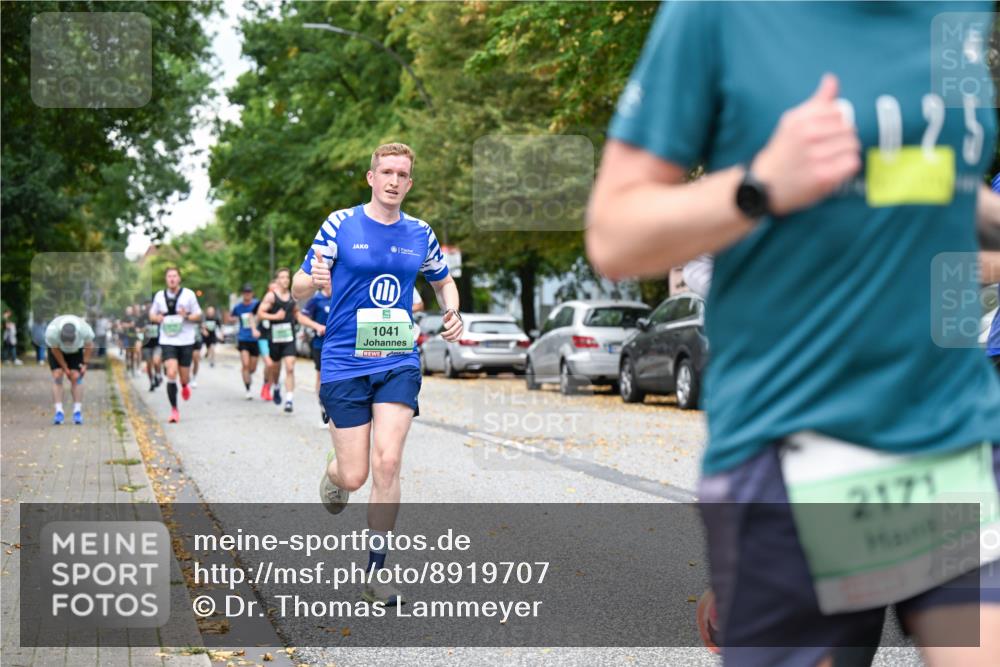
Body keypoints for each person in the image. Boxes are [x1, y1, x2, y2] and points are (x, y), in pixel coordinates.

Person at [586, 3, 1000, 666]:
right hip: (799, 445)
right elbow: (614, 232)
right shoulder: (718, 15)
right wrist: (761, 185)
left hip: (949, 431)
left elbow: (918, 178)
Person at [292, 142, 463, 606]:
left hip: (396, 358)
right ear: (371, 177)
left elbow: (442, 279)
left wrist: (452, 310)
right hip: (345, 359)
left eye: (401, 174)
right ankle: (335, 476)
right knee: (355, 474)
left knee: (388, 463)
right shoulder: (340, 225)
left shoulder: (420, 232)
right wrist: (315, 280)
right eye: (385, 171)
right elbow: (297, 288)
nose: (393, 180)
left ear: (409, 182)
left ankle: (377, 571)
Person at [149, 267, 202, 423]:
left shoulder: (189, 295)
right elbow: (151, 314)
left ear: (179, 278)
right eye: (169, 276)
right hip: (168, 340)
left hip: (186, 340)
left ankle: (185, 385)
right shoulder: (159, 296)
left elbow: (198, 314)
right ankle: (174, 410)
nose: (172, 279)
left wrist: (186, 315)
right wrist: (156, 318)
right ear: (166, 279)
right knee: (171, 373)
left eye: (174, 276)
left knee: (184, 376)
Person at [258, 268, 299, 413]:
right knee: (275, 368)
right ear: (277, 280)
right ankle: (276, 386)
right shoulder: (271, 296)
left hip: (289, 337)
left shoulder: (293, 296)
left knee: (290, 367)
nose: (285, 280)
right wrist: (275, 317)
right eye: (282, 277)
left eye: (287, 277)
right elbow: (260, 313)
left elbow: (297, 314)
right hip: (274, 338)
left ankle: (289, 400)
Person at [44, 314, 95, 425]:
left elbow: (89, 345)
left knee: (76, 377)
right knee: (57, 376)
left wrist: (85, 364)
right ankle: (59, 411)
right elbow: (55, 350)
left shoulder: (84, 329)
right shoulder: (52, 332)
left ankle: (77, 411)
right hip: (57, 350)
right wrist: (65, 368)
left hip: (76, 351)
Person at [298, 282, 333, 427]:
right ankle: (323, 408)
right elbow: (302, 317)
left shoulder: (340, 296)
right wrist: (317, 326)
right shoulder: (316, 300)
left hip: (339, 345)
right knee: (322, 376)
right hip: (320, 344)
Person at [230, 284, 261, 400]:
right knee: (246, 364)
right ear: (243, 294)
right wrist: (233, 319)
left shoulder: (256, 304)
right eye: (245, 292)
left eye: (249, 292)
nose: (247, 294)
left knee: (252, 368)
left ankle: (248, 374)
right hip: (243, 338)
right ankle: (248, 388)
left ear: (252, 294)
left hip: (255, 339)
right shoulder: (238, 307)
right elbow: (231, 316)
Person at [139, 300, 162, 392]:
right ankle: (151, 381)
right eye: (147, 306)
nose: (149, 308)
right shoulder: (142, 317)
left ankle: (158, 374)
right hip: (147, 344)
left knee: (156, 361)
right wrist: (142, 329)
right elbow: (136, 328)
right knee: (149, 364)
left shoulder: (159, 316)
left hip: (157, 343)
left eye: (151, 306)